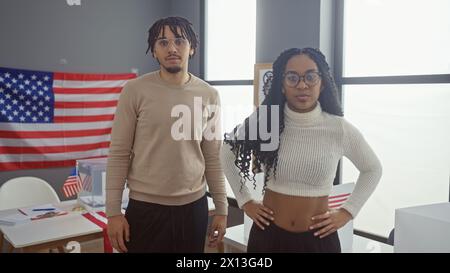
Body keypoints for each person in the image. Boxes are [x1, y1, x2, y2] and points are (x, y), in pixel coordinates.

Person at [221, 47, 382, 253]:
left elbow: (373, 169)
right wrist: (245, 201)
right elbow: (226, 152)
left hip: (318, 240)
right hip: (268, 237)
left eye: (310, 77)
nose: (302, 85)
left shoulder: (338, 128)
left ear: (322, 82)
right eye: (292, 77)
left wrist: (347, 212)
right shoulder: (265, 121)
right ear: (281, 84)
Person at [105, 16, 228, 253]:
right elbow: (119, 154)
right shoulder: (134, 90)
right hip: (145, 208)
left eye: (179, 41)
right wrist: (113, 213)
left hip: (194, 208)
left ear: (191, 48)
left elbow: (212, 156)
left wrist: (222, 209)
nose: (172, 48)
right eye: (163, 42)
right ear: (154, 51)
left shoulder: (209, 95)